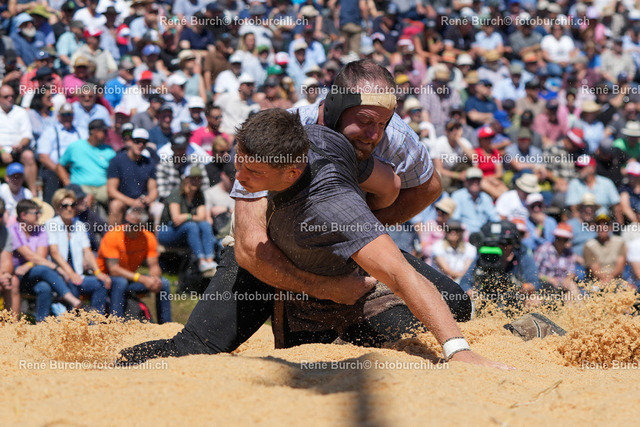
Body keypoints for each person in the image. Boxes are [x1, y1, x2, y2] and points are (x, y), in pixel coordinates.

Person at [119, 109, 509, 370]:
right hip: (266, 265)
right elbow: (251, 252)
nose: (239, 177)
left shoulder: (334, 207)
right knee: (193, 348)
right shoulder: (306, 132)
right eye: (238, 162)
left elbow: (399, 265)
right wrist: (326, 286)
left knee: (455, 306)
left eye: (253, 172)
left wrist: (457, 350)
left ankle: (349, 326)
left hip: (334, 268)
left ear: (291, 172)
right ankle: (112, 365)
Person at [12, 199, 83, 322]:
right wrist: (57, 268)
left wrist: (28, 265)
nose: (39, 215)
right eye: (36, 213)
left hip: (32, 274)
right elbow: (31, 256)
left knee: (45, 288)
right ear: (23, 215)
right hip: (16, 275)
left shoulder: (41, 230)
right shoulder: (13, 229)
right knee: (44, 269)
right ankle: (72, 300)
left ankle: (42, 323)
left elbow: (38, 257)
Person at [98, 207, 171, 323]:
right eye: (125, 222)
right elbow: (113, 270)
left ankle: (166, 325)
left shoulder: (148, 238)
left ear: (142, 227)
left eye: (132, 225)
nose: (127, 226)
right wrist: (142, 279)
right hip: (106, 279)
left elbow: (154, 265)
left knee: (164, 283)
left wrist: (155, 279)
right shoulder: (113, 235)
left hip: (130, 279)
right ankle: (116, 323)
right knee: (120, 282)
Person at [46, 189, 110, 314]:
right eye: (65, 206)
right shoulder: (51, 224)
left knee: (101, 283)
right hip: (60, 275)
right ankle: (73, 322)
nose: (69, 209)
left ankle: (96, 321)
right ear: (57, 208)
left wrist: (98, 272)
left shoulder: (80, 225)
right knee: (72, 284)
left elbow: (87, 252)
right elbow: (55, 253)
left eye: (72, 205)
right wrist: (70, 273)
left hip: (79, 275)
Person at [157, 165, 217, 276]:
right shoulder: (176, 193)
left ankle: (209, 261)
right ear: (186, 179)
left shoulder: (199, 195)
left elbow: (202, 217)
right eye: (193, 178)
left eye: (198, 179)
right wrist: (191, 217)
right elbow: (176, 219)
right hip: (167, 232)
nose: (196, 182)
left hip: (187, 233)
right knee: (192, 226)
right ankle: (201, 262)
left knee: (205, 225)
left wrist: (186, 216)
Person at [57, 119, 117, 209]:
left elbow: (116, 169)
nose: (106, 134)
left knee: (117, 203)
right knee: (87, 199)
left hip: (103, 188)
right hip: (81, 187)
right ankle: (86, 218)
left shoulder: (109, 150)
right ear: (94, 131)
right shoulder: (75, 147)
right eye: (104, 131)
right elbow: (59, 166)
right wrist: (68, 184)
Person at [106, 128, 157, 226]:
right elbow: (111, 191)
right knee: (115, 205)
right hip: (124, 201)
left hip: (142, 203)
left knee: (158, 208)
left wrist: (148, 200)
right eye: (137, 141)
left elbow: (153, 190)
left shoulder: (150, 163)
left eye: (144, 142)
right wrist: (132, 202)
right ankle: (113, 235)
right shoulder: (117, 161)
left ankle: (153, 236)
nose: (140, 145)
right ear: (130, 141)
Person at [36, 103, 81, 204]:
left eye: (69, 115)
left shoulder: (80, 131)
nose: (67, 118)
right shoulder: (49, 131)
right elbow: (43, 156)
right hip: (54, 169)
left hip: (75, 169)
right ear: (58, 116)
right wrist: (60, 171)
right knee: (51, 178)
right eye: (64, 115)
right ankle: (51, 208)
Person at [0, 84, 37, 195]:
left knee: (28, 156)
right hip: (1, 149)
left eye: (12, 96)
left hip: (17, 149)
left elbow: (27, 135)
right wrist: (2, 151)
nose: (10, 98)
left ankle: (33, 194)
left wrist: (20, 145)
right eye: (6, 96)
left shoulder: (21, 112)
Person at [533, 223, 582, 301]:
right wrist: (549, 279)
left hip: (562, 286)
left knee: (571, 286)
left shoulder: (569, 253)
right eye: (559, 239)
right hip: (543, 285)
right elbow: (533, 273)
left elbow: (572, 272)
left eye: (565, 240)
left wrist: (567, 279)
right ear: (555, 238)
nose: (561, 242)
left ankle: (576, 308)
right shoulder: (543, 249)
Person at [451, 167, 501, 234]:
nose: (475, 182)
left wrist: (496, 233)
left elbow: (495, 218)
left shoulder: (486, 197)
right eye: (472, 180)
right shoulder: (458, 196)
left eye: (478, 180)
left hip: (483, 234)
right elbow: (455, 218)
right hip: (464, 234)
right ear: (466, 181)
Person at [583, 213, 627, 287]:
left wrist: (609, 279)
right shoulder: (589, 245)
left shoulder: (619, 242)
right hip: (597, 281)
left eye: (606, 224)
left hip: (617, 279)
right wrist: (606, 280)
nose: (602, 227)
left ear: (610, 227)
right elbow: (595, 270)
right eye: (599, 224)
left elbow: (620, 266)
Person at [432, 220, 476, 284]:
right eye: (449, 230)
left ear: (461, 232)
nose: (453, 232)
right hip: (440, 282)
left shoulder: (470, 248)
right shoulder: (437, 246)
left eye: (456, 230)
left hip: (462, 283)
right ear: (445, 231)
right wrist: (463, 277)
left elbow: (467, 270)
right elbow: (446, 270)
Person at [0, 199, 20, 320]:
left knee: (13, 281)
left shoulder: (4, 231)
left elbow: (7, 261)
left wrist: (4, 275)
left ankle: (13, 326)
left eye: (0, 215)